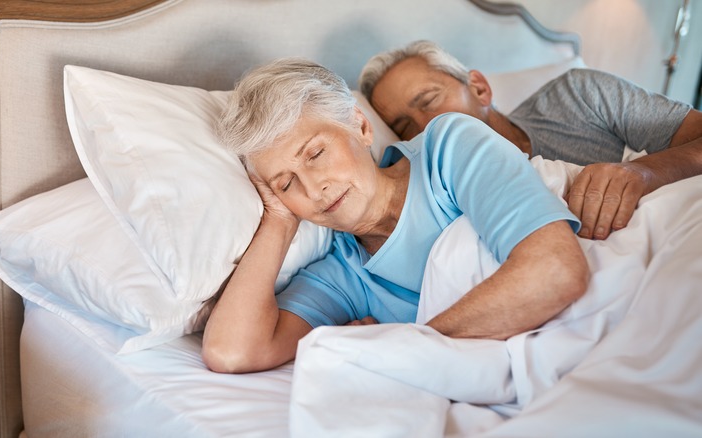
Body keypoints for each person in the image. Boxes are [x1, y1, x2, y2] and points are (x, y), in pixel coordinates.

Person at [201, 57, 589, 374]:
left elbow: (556, 270)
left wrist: (398, 344)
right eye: (286, 184)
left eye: (316, 154)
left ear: (361, 126)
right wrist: (279, 220)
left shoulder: (447, 149)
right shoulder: (344, 276)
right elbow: (231, 352)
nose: (313, 188)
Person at [359, 40, 702, 240]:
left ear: (479, 88)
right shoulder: (438, 194)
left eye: (430, 100)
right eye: (404, 126)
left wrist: (645, 173)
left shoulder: (579, 94)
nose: (426, 127)